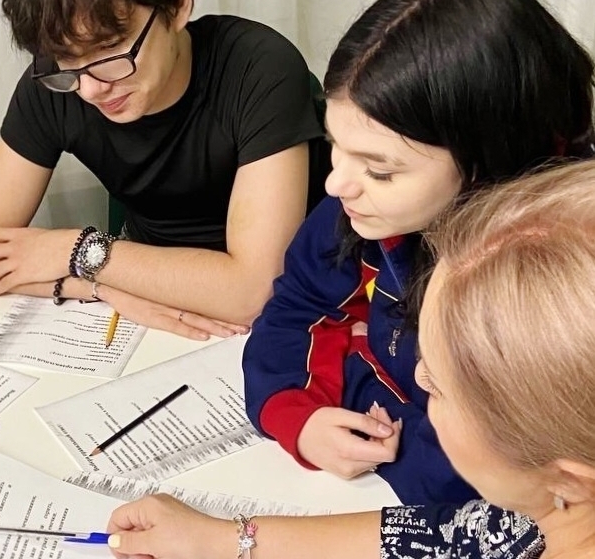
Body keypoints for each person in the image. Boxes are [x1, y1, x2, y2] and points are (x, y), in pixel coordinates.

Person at [104, 158, 595, 559]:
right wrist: (223, 540)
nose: (417, 376)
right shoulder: (541, 514)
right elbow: (450, 534)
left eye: (440, 387)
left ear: (567, 479)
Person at [241, 0, 594, 505]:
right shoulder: (373, 208)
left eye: (379, 170)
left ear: (487, 159)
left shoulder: (557, 276)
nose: (336, 183)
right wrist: (299, 414)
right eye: (335, 144)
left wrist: (364, 388)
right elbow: (298, 303)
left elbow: (474, 482)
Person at [0, 0, 328, 340]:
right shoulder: (55, 85)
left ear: (177, 8)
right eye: (65, 58)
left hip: (295, 312)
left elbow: (253, 293)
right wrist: (101, 288)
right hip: (146, 309)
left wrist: (74, 249)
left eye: (109, 49)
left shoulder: (258, 66)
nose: (90, 90)